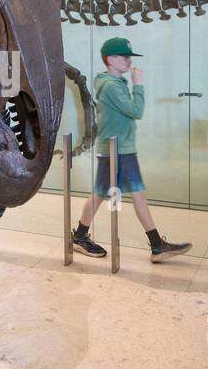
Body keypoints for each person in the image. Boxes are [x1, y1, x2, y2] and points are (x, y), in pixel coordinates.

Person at [70, 37, 191, 263]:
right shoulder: (111, 87)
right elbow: (136, 111)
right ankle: (156, 245)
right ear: (111, 59)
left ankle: (80, 236)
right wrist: (139, 84)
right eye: (124, 57)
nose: (128, 61)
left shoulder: (114, 83)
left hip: (120, 147)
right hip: (117, 148)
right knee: (124, 194)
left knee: (111, 194)